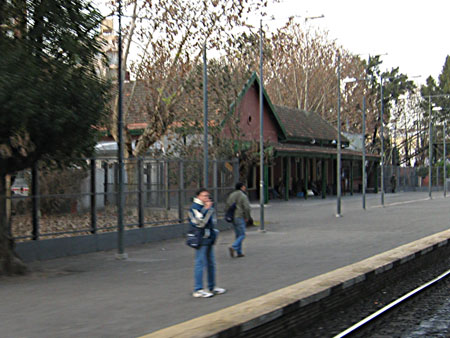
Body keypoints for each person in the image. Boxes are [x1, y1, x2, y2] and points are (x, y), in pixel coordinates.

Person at [188, 188, 226, 298]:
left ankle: (212, 286)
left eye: (208, 196)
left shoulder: (207, 207)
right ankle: (198, 289)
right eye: (204, 196)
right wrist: (207, 209)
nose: (207, 198)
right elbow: (200, 223)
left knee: (211, 263)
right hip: (200, 238)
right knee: (200, 263)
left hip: (209, 237)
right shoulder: (194, 208)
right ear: (198, 197)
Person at [225, 182, 251, 258]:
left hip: (233, 216)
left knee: (238, 234)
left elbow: (227, 205)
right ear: (242, 187)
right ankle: (234, 246)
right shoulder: (243, 195)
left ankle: (239, 252)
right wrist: (247, 217)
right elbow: (247, 207)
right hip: (239, 216)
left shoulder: (231, 195)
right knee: (242, 234)